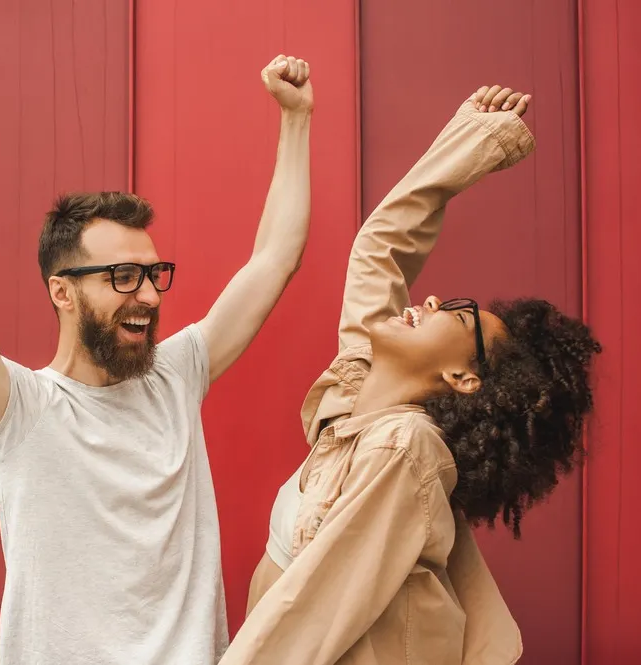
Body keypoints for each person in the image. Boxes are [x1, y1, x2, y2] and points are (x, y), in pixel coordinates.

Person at [0, 41, 314, 664]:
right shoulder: (21, 409)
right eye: (121, 278)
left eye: (152, 273)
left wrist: (296, 121)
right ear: (63, 292)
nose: (147, 296)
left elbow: (275, 258)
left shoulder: (177, 375)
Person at [221, 86, 601, 664]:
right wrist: (472, 139)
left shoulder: (403, 447)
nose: (434, 301)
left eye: (458, 315)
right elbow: (380, 250)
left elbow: (315, 604)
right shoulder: (353, 406)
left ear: (462, 377)